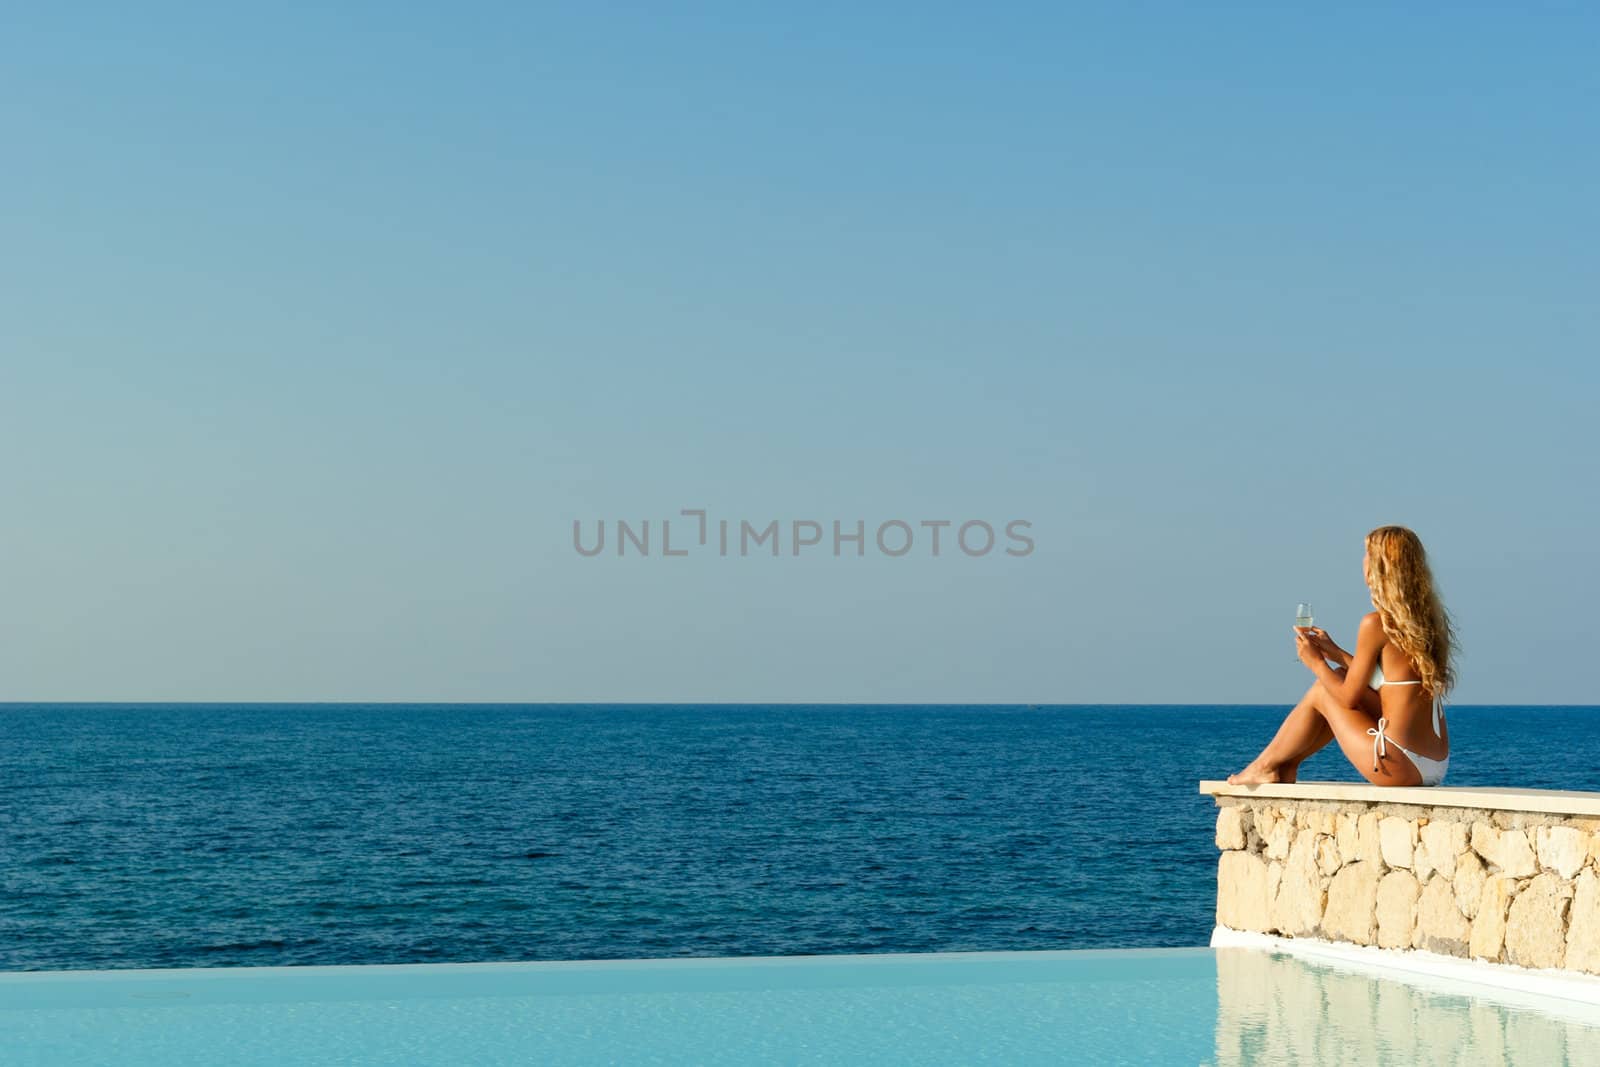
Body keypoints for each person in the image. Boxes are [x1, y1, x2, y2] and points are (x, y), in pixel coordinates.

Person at [1227, 525, 1457, 787]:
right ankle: (1285, 765)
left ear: (1379, 566)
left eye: (1367, 554)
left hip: (1397, 762)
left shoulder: (1375, 623)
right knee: (1338, 675)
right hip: (1434, 763)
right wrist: (1336, 653)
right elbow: (1390, 683)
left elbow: (1348, 698)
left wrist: (1315, 662)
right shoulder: (1430, 622)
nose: (1363, 561)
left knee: (1324, 689)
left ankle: (1265, 765)